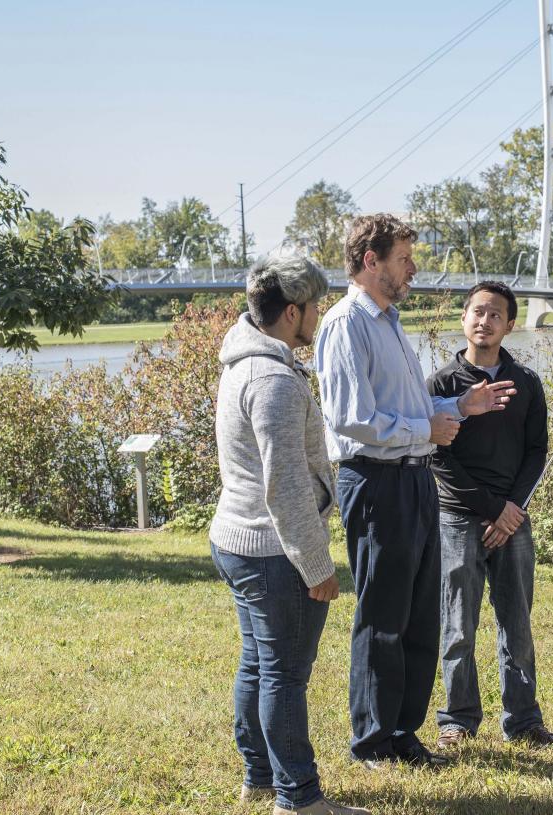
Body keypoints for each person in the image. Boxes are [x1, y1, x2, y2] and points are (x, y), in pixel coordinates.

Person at [314, 214, 516, 769]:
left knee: (420, 613)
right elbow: (351, 419)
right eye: (404, 258)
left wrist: (457, 408)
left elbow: (407, 411)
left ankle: (404, 730)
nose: (413, 267)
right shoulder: (346, 324)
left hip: (413, 478)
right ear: (371, 261)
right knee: (382, 615)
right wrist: (424, 430)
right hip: (376, 482)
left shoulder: (389, 322)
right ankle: (372, 740)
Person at [209, 248, 368, 815]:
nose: (319, 317)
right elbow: (286, 487)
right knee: (284, 676)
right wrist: (316, 565)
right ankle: (298, 798)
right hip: (273, 550)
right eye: (315, 307)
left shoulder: (241, 362)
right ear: (294, 310)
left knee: (257, 663)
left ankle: (259, 778)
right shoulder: (273, 379)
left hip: (237, 538)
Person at [426, 282, 553, 750]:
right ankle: (457, 721)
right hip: (458, 518)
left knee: (517, 622)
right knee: (458, 624)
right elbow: (438, 458)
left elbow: (536, 452)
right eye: (477, 312)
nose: (485, 322)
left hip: (513, 519)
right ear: (464, 318)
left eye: (495, 315)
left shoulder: (526, 383)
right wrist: (490, 509)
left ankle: (523, 721)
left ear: (508, 325)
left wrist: (512, 511)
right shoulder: (442, 385)